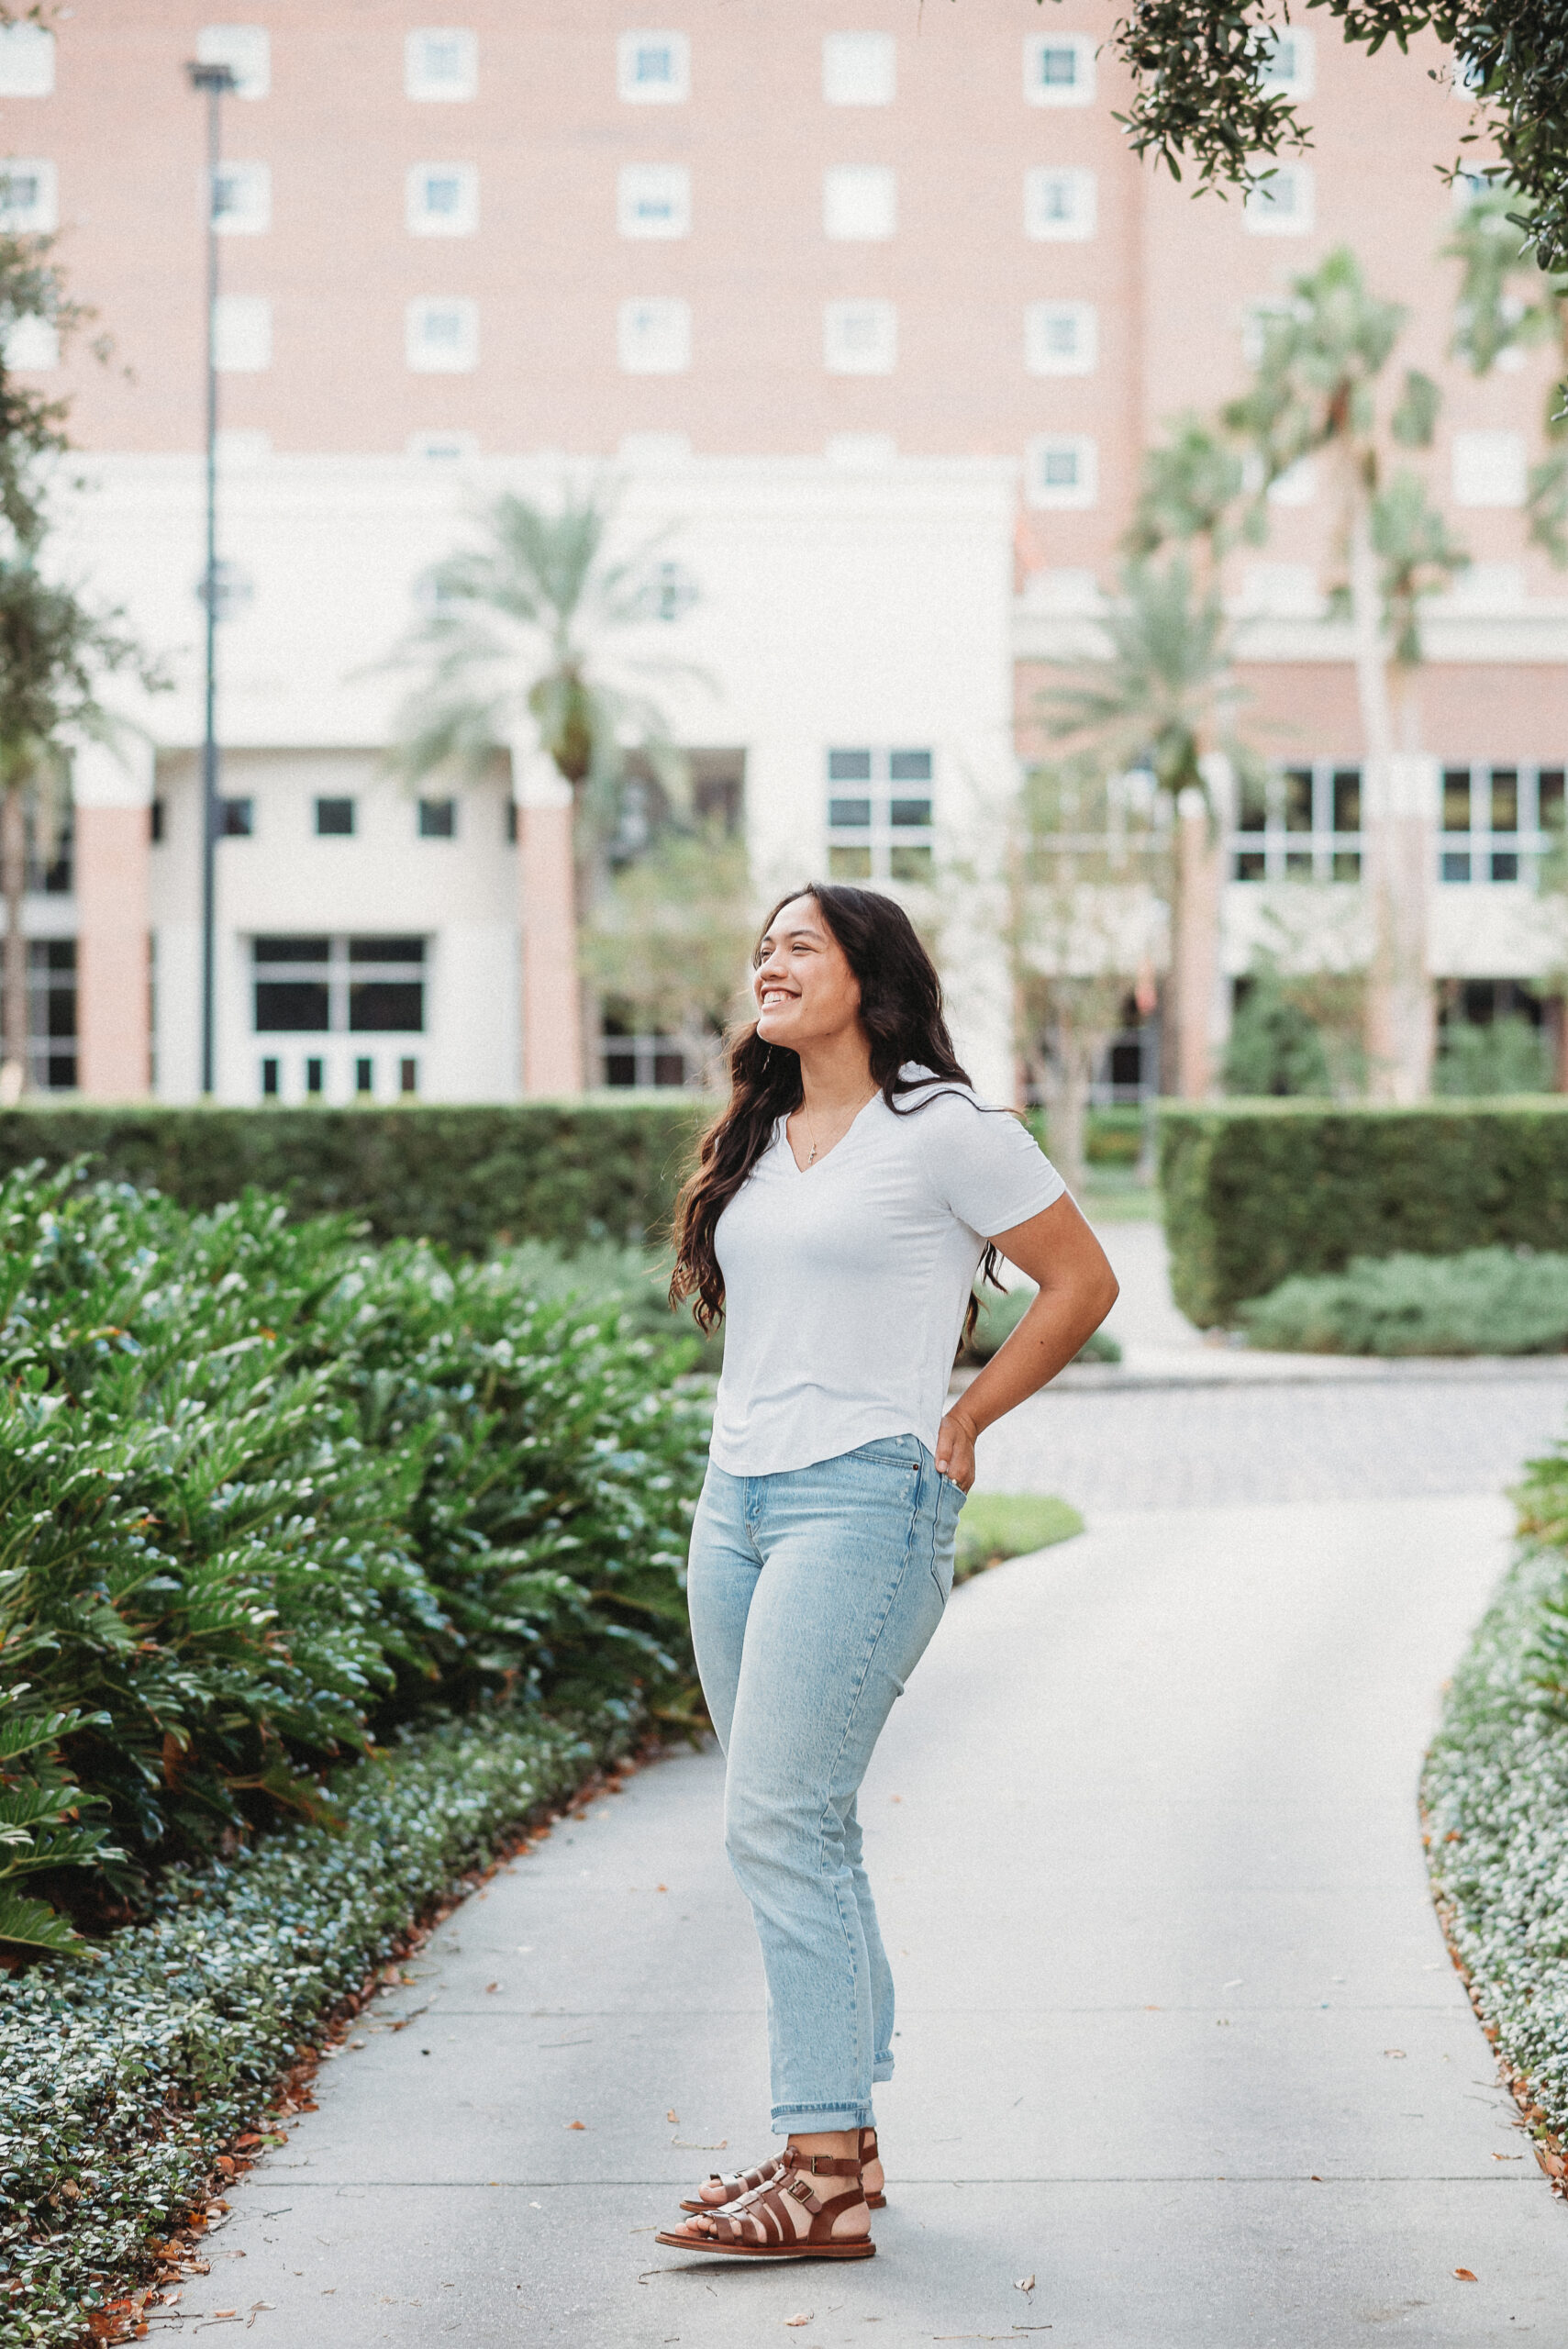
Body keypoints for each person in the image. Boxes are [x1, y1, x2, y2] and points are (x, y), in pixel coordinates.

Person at [654, 883, 1118, 2264]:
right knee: (795, 1826)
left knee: (777, 1827)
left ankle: (820, 2165)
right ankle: (836, 2146)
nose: (769, 963)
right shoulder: (763, 1131)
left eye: (800, 944)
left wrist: (967, 1415)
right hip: (733, 1501)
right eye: (762, 947)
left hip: (863, 1500)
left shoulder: (944, 1129)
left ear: (869, 971)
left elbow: (1079, 1282)